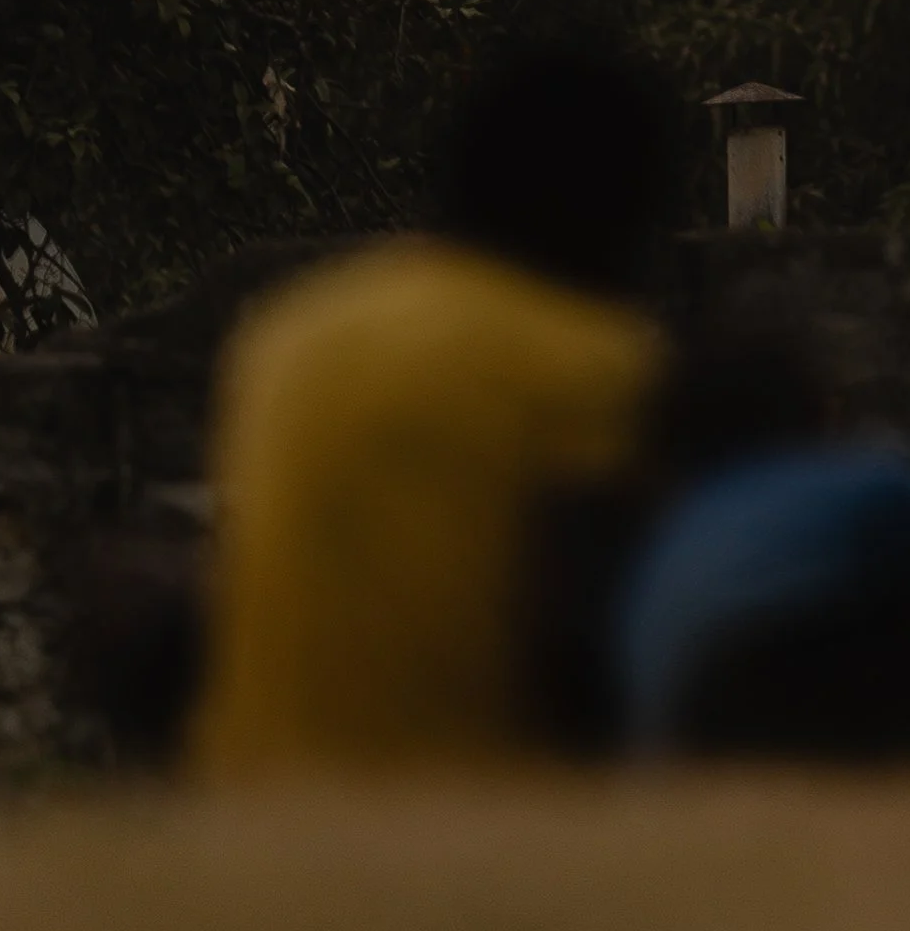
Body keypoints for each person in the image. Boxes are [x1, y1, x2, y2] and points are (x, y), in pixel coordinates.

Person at [192, 39, 676, 776]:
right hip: (476, 815)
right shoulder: (594, 362)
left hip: (258, 808)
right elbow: (593, 653)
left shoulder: (289, 333)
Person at [610, 320, 910, 760]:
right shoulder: (868, 486)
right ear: (816, 414)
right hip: (819, 721)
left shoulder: (658, 554)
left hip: (704, 746)